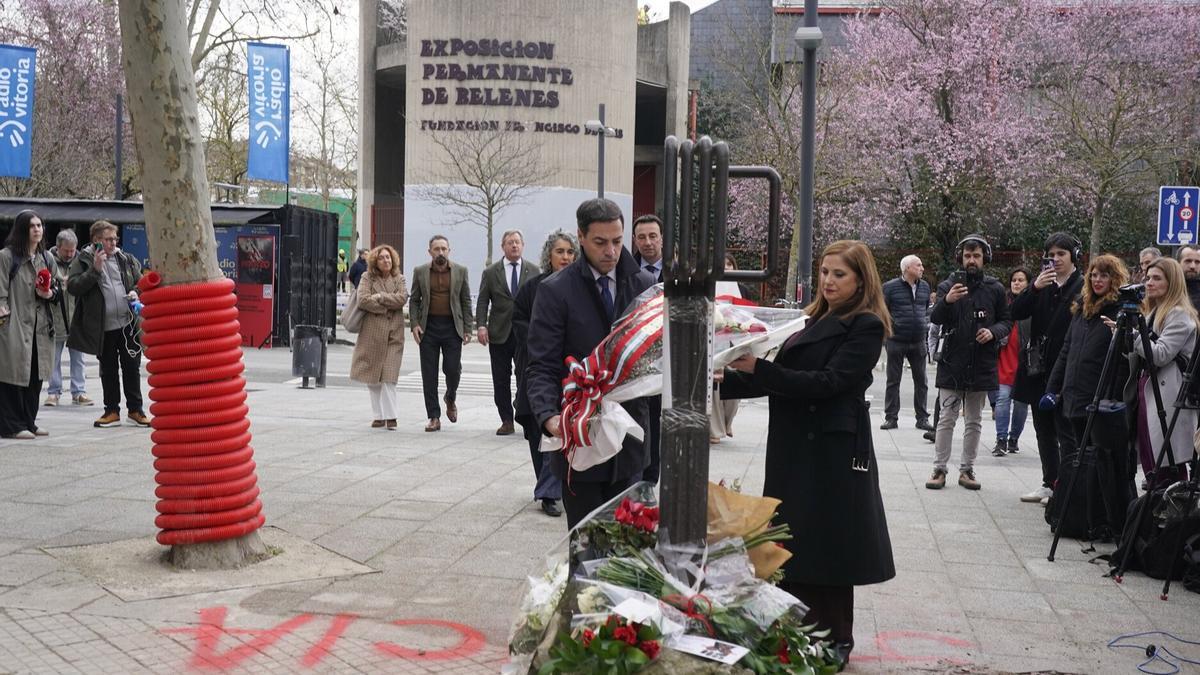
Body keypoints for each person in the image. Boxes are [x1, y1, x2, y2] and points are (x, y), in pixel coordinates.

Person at [722, 240, 895, 668]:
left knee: (830, 545)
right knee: (793, 540)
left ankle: (835, 638)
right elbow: (785, 378)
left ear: (861, 280)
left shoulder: (866, 324)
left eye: (840, 274)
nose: (829, 281)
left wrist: (759, 370)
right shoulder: (814, 317)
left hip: (832, 449)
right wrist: (718, 379)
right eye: (824, 272)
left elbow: (828, 382)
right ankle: (795, 631)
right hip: (797, 443)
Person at [526, 198, 656, 527]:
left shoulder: (643, 286)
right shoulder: (555, 291)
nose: (611, 251)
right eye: (600, 242)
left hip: (630, 440)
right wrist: (549, 416)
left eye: (617, 240)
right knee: (585, 545)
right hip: (578, 442)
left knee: (628, 545)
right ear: (580, 237)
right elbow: (541, 364)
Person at [1043, 254, 1132, 535]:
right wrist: (1053, 388)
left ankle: (1103, 515)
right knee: (1077, 456)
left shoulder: (1120, 311)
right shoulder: (1082, 310)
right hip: (1074, 395)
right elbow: (1066, 352)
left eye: (1104, 275)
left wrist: (1110, 396)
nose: (1097, 280)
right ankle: (1080, 510)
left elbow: (1122, 361)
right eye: (1094, 275)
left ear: (1114, 279)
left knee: (1102, 460)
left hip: (1101, 398)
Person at [927, 234, 1011, 491]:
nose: (971, 261)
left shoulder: (995, 288)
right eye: (967, 256)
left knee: (974, 420)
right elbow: (937, 318)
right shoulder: (947, 285)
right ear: (960, 258)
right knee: (946, 418)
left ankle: (967, 469)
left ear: (985, 257)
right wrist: (948, 300)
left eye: (976, 256)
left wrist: (993, 332)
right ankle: (939, 468)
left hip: (982, 362)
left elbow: (1007, 321)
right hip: (952, 361)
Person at [1010, 232, 1084, 504]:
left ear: (1074, 256)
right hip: (1038, 367)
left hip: (1066, 368)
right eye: (1050, 255)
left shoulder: (1082, 286)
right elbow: (1015, 312)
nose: (1055, 260)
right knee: (1042, 428)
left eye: (1061, 254)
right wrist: (1034, 288)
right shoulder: (1042, 285)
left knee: (1065, 430)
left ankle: (1066, 484)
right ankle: (1048, 482)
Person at [513, 230, 577, 518]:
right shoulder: (533, 287)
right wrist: (542, 338)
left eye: (570, 252)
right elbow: (519, 321)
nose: (565, 257)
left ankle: (550, 491)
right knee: (535, 428)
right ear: (548, 256)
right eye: (560, 252)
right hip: (537, 367)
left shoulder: (578, 287)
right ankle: (546, 483)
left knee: (558, 429)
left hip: (569, 371)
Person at [1122, 257, 1196, 488]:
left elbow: (1161, 354)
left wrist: (1133, 336)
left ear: (1172, 282)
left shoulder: (1179, 314)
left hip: (1167, 396)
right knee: (1151, 457)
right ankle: (1153, 515)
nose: (1149, 283)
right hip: (1150, 390)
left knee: (1167, 461)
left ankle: (1168, 517)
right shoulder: (1155, 312)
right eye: (1148, 277)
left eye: (1156, 278)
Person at [67, 221, 149, 429]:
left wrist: (136, 293)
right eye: (108, 239)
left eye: (115, 239)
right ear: (97, 241)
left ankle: (136, 410)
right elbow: (74, 287)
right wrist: (95, 270)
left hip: (128, 323)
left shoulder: (125, 258)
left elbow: (141, 282)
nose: (113, 243)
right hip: (102, 327)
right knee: (109, 369)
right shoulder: (83, 259)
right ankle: (111, 411)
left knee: (132, 367)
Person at [0, 210, 58, 439]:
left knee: (35, 374)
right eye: (32, 225)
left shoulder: (46, 258)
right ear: (22, 229)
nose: (37, 229)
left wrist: (49, 294)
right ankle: (11, 425)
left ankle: (29, 421)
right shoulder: (6, 256)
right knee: (13, 375)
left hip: (40, 326)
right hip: (13, 323)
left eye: (40, 225)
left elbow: (57, 291)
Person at [475, 230, 538, 436]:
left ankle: (523, 412)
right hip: (499, 333)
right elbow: (483, 300)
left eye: (517, 242)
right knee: (500, 379)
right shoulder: (491, 272)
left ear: (523, 245)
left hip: (525, 334)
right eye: (510, 242)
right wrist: (481, 325)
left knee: (525, 376)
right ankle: (506, 419)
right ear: (503, 246)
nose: (514, 246)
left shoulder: (533, 270)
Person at [408, 235, 473, 432]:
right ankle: (433, 416)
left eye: (444, 248)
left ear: (449, 250)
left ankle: (450, 397)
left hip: (453, 327)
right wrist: (414, 324)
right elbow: (414, 300)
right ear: (430, 252)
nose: (440, 252)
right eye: (436, 249)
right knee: (429, 374)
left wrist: (468, 328)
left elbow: (466, 300)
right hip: (428, 327)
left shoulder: (460, 271)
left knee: (453, 369)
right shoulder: (420, 272)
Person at [349, 245, 408, 430]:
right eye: (382, 258)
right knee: (372, 377)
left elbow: (402, 299)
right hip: (372, 334)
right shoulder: (367, 277)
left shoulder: (399, 278)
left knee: (389, 376)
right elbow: (363, 300)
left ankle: (391, 417)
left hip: (394, 334)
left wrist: (381, 296)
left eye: (389, 258)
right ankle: (379, 415)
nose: (386, 261)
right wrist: (387, 305)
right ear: (375, 260)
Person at [880, 254, 932, 431]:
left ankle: (922, 418)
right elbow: (882, 311)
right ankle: (891, 418)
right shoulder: (890, 287)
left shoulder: (925, 287)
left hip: (918, 340)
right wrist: (890, 330)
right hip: (896, 340)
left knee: (922, 381)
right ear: (907, 268)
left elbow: (924, 309)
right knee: (893, 380)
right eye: (918, 265)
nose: (922, 268)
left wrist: (922, 325)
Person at [631, 213, 664, 481]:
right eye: (641, 237)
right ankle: (638, 469)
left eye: (653, 236)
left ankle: (653, 471)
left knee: (659, 416)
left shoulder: (678, 271)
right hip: (635, 359)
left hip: (666, 358)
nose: (648, 242)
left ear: (662, 238)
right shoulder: (627, 273)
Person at [44, 229, 93, 407]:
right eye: (67, 251)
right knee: (54, 357)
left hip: (76, 318)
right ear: (58, 247)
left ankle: (79, 392)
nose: (70, 254)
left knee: (78, 357)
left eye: (73, 250)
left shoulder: (81, 262)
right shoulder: (47, 260)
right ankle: (53, 392)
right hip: (54, 317)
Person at [991, 268, 1030, 457]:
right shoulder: (1003, 304)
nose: (1016, 283)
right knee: (1003, 399)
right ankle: (1001, 439)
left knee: (1022, 404)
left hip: (1024, 363)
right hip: (1004, 360)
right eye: (1014, 279)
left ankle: (1014, 438)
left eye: (1021, 280)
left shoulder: (1033, 304)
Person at [711, 255, 745, 443]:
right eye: (722, 264)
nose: (726, 268)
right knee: (714, 386)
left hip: (736, 343)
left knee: (734, 389)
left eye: (729, 264)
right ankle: (716, 430)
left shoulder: (743, 289)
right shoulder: (708, 289)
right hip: (715, 343)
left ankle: (726, 422)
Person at [1177, 245, 1200, 310]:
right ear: (1178, 263)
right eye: (1188, 261)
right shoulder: (1166, 289)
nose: (1193, 266)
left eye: (1197, 262)